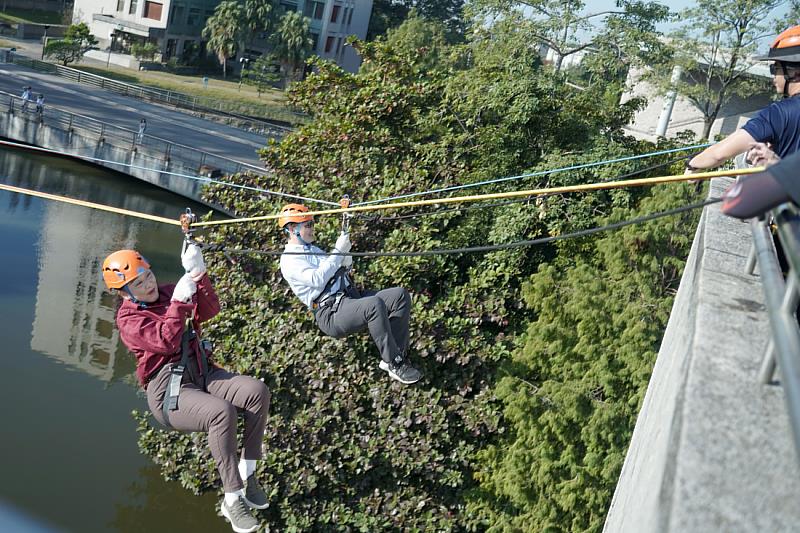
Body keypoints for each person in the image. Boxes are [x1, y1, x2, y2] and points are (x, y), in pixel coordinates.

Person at [102, 245, 270, 533]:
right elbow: (166, 342)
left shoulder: (168, 292)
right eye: (139, 283)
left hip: (201, 370)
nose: (149, 284)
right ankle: (232, 498)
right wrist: (178, 303)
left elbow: (209, 310)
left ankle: (248, 472)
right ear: (124, 293)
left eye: (149, 276)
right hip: (169, 390)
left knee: (257, 392)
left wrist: (198, 273)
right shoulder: (128, 321)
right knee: (220, 412)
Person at [278, 203, 423, 385]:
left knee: (398, 296)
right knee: (373, 305)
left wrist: (345, 259)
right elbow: (317, 279)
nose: (312, 229)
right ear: (292, 229)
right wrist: (338, 252)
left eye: (312, 224)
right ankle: (393, 362)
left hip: (349, 296)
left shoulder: (314, 250)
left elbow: (335, 267)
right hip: (331, 312)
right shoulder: (289, 259)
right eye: (308, 226)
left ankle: (397, 355)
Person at [685, 25, 800, 175]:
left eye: (775, 69)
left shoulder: (779, 113)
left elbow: (719, 154)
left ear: (795, 73)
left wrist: (693, 165)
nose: (773, 76)